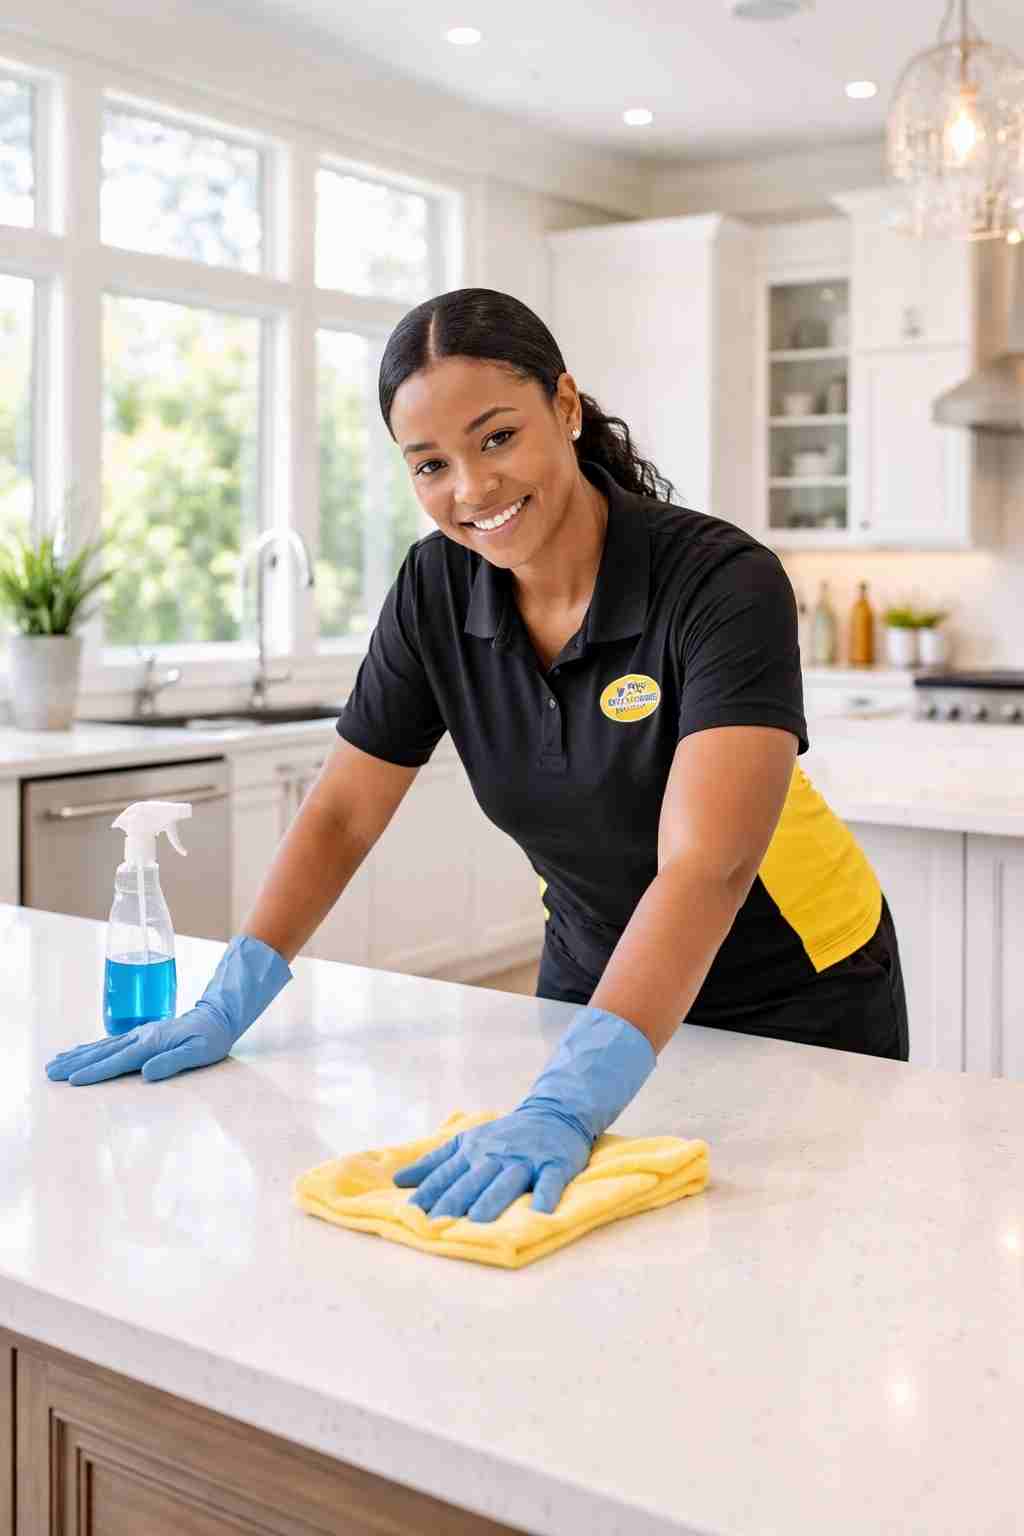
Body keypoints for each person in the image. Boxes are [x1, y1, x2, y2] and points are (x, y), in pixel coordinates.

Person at [45, 287, 909, 1228]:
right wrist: (232, 997)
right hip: (594, 981)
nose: (472, 489)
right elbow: (342, 813)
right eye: (431, 464)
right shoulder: (435, 588)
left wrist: (568, 1098)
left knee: (788, 1273)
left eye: (496, 438)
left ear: (566, 409)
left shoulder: (719, 581)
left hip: (795, 987)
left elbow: (709, 865)